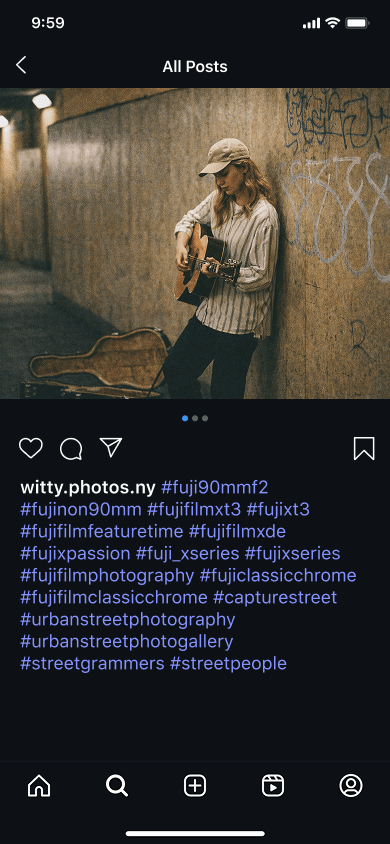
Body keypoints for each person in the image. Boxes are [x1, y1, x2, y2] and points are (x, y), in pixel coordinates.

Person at [163, 138, 280, 400]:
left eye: (224, 173)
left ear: (244, 168)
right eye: (215, 175)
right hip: (209, 313)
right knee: (175, 370)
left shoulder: (265, 216)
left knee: (224, 395)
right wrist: (181, 246)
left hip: (240, 324)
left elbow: (262, 275)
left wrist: (226, 273)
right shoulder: (220, 199)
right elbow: (189, 219)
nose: (219, 182)